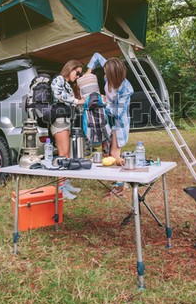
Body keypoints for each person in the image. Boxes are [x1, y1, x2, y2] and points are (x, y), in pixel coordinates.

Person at [87, 52, 134, 157]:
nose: (104, 74)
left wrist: (105, 103)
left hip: (119, 123)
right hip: (106, 118)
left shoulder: (126, 89)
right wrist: (88, 72)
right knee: (106, 153)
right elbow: (97, 56)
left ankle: (120, 171)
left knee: (114, 154)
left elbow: (118, 112)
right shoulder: (109, 69)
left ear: (113, 74)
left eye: (106, 72)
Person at [50, 60, 85, 199]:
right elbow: (57, 95)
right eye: (77, 73)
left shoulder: (68, 85)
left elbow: (69, 101)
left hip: (66, 120)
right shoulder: (58, 79)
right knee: (63, 154)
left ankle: (65, 183)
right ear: (71, 68)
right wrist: (76, 101)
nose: (77, 76)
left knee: (67, 154)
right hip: (59, 120)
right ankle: (60, 188)